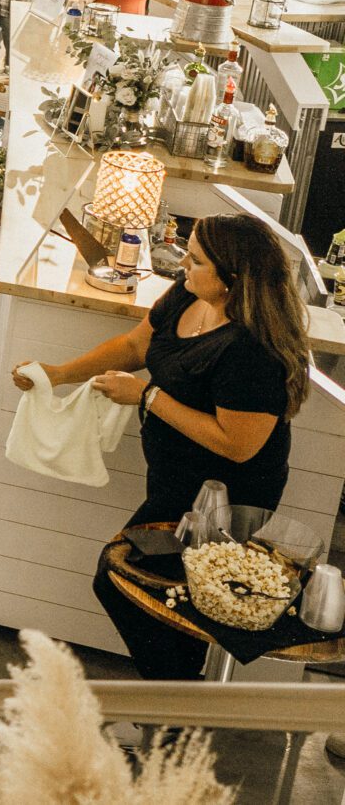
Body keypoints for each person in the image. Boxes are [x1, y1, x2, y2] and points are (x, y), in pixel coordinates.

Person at [22, 215, 309, 679]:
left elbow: (238, 446)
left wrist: (148, 397)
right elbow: (136, 346)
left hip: (223, 498)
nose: (182, 265)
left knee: (120, 581)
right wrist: (58, 373)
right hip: (175, 480)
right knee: (170, 601)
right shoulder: (187, 295)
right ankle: (177, 712)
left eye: (195, 260)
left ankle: (175, 713)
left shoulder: (252, 351)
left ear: (231, 281)